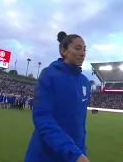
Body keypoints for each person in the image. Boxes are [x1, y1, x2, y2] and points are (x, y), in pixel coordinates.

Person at [24, 31, 91, 162]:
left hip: (73, 155)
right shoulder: (49, 75)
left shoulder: (85, 82)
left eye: (84, 49)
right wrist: (74, 154)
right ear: (63, 51)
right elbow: (42, 118)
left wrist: (81, 151)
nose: (82, 53)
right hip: (45, 155)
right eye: (77, 48)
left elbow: (80, 125)